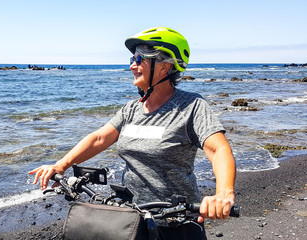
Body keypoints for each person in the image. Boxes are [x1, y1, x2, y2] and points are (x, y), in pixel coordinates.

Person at [29, 27, 236, 239]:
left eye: (140, 59)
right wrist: (61, 165)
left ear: (166, 66)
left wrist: (223, 194)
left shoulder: (191, 106)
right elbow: (99, 138)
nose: (132, 65)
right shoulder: (132, 109)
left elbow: (218, 149)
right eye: (132, 58)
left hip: (178, 224)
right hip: (131, 219)